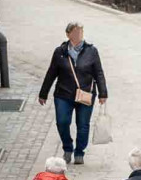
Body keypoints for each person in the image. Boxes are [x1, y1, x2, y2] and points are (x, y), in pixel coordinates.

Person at [39, 22, 108, 166]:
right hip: (63, 94)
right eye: (75, 32)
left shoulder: (92, 51)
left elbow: (99, 73)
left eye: (80, 32)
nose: (78, 35)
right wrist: (43, 93)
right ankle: (67, 148)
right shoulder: (60, 52)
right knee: (62, 122)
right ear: (68, 34)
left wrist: (103, 93)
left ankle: (79, 152)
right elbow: (51, 73)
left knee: (83, 125)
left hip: (85, 93)